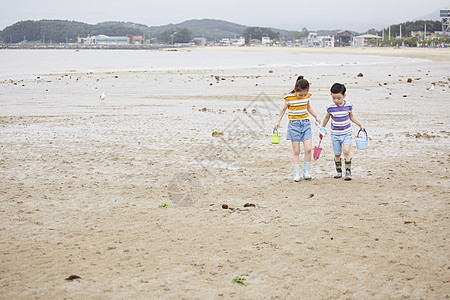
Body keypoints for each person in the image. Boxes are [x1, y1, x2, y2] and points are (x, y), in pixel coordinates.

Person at [274, 76, 321, 182]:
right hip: (294, 125)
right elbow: (283, 110)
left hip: (305, 124)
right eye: (300, 94)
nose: (302, 96)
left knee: (308, 149)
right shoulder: (289, 98)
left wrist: (316, 116)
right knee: (296, 151)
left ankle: (306, 172)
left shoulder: (307, 96)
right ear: (295, 90)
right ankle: (297, 174)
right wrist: (278, 122)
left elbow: (308, 107)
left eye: (305, 94)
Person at [321, 83, 365, 181]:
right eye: (334, 98)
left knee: (346, 151)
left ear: (344, 96)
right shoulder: (330, 107)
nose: (336, 100)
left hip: (346, 133)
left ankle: (348, 172)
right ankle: (339, 171)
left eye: (339, 98)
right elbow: (327, 117)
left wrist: (360, 124)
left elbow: (351, 117)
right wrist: (322, 127)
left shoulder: (348, 105)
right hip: (335, 134)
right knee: (337, 154)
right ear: (331, 95)